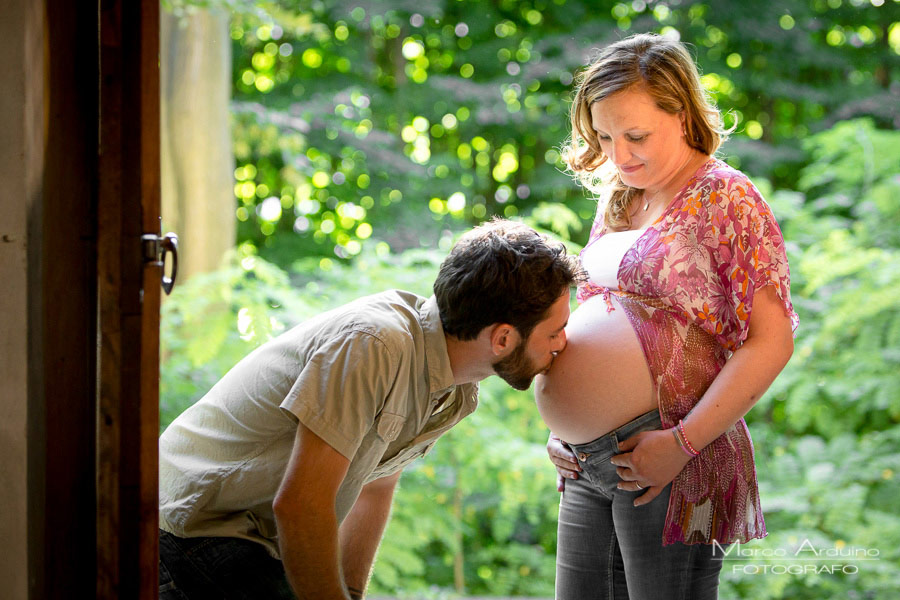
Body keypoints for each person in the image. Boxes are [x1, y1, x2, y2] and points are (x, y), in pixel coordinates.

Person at [157, 219, 581, 600]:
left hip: (253, 540)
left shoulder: (454, 390)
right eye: (556, 330)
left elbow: (375, 486)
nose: (564, 343)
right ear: (503, 339)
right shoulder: (376, 344)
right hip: (190, 529)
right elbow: (302, 506)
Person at [534, 33, 799, 599]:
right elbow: (591, 318)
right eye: (603, 137)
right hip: (585, 466)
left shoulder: (728, 198)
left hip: (673, 457)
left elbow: (771, 342)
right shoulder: (621, 196)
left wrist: (680, 445)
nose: (618, 155)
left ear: (682, 114)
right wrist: (563, 430)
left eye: (635, 136)